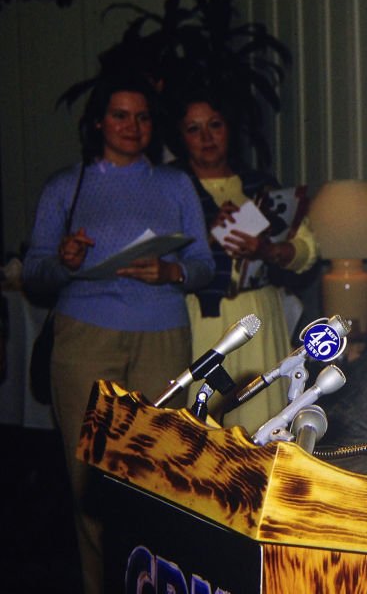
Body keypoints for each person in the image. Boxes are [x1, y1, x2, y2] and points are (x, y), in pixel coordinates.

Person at [22, 73, 215, 594]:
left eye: (143, 116)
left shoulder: (174, 184)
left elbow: (202, 263)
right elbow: (35, 273)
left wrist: (171, 272)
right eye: (120, 115)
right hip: (85, 337)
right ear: (98, 123)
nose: (133, 126)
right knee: (90, 479)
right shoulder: (67, 186)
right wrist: (63, 261)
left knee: (161, 474)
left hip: (162, 337)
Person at [172, 89, 318, 432]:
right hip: (202, 315)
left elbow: (307, 249)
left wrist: (269, 250)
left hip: (258, 312)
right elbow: (160, 255)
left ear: (229, 130)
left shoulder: (260, 184)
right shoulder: (174, 188)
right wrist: (206, 237)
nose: (206, 137)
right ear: (181, 137)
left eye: (215, 125)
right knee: (202, 424)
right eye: (194, 129)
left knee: (261, 420)